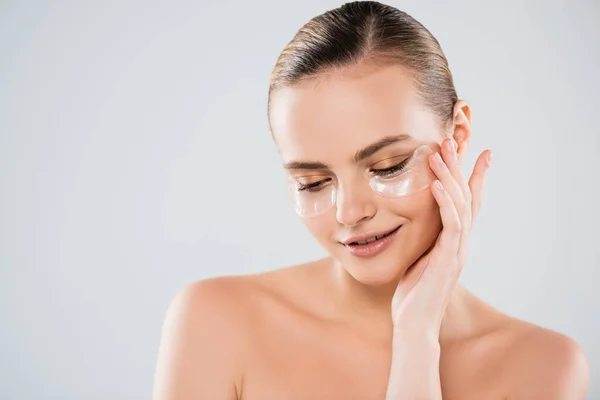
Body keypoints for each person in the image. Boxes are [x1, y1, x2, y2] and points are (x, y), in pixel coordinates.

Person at [152, 1, 590, 399]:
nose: (349, 212)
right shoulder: (214, 323)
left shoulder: (543, 366)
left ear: (457, 136)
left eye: (388, 166)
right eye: (312, 182)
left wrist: (417, 337)